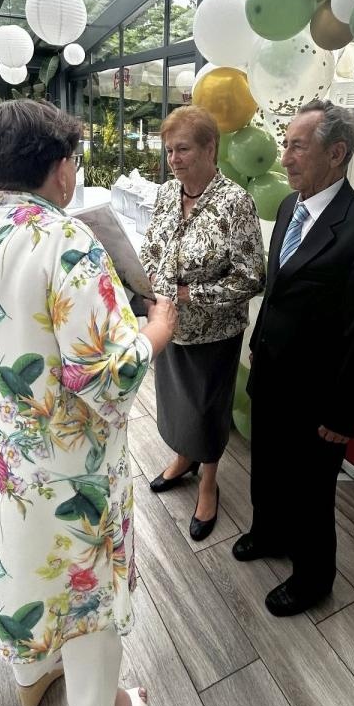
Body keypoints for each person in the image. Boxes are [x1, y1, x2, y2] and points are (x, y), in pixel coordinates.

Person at [0, 98, 176, 706]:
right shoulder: (69, 243)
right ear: (61, 168)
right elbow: (103, 374)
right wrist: (154, 332)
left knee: (17, 559)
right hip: (65, 459)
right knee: (83, 578)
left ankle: (30, 673)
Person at [234, 99, 354, 616]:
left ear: (337, 153)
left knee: (311, 491)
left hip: (319, 396)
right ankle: (268, 533)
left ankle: (313, 578)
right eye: (284, 144)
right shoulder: (289, 207)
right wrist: (258, 348)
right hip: (272, 373)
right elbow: (278, 291)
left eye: (296, 146)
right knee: (267, 468)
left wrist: (345, 413)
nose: (283, 158)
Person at [140, 105, 265, 540]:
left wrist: (191, 294)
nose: (174, 159)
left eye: (184, 149)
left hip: (215, 332)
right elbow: (151, 249)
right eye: (169, 150)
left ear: (211, 147)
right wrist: (151, 287)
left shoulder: (235, 202)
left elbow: (252, 276)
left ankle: (208, 482)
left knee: (209, 410)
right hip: (169, 326)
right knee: (176, 403)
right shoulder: (163, 194)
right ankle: (184, 456)